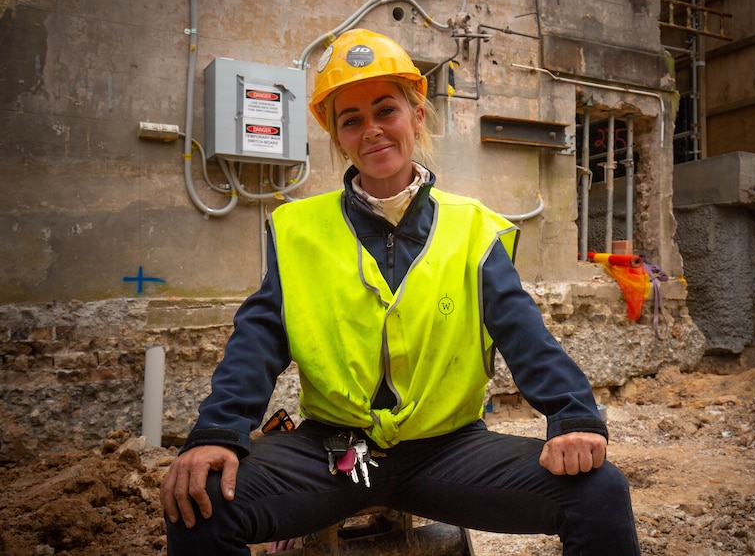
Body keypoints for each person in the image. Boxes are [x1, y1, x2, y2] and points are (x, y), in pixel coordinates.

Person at [160, 28, 641, 556]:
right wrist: (216, 432)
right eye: (352, 120)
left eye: (385, 110)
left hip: (447, 454)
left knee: (599, 491)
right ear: (338, 137)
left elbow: (524, 333)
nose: (371, 130)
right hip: (335, 453)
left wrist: (572, 416)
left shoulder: (474, 231)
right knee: (198, 503)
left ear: (416, 115)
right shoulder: (297, 231)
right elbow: (258, 340)